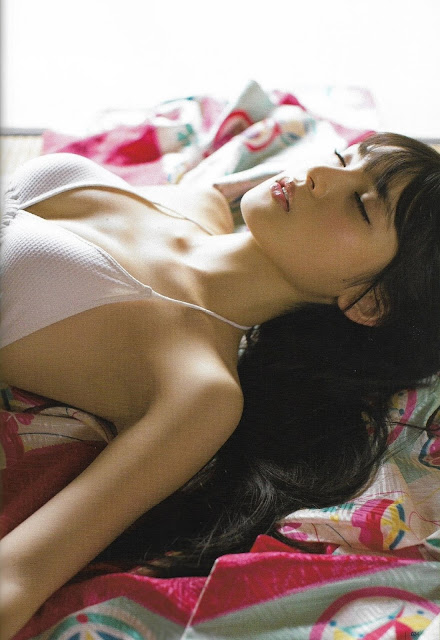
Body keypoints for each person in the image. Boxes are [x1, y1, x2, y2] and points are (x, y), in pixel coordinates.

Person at [1, 132, 439, 638]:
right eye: (343, 158)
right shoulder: (201, 201)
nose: (320, 175)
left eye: (360, 205)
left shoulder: (199, 389)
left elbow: (19, 576)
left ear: (371, 302)